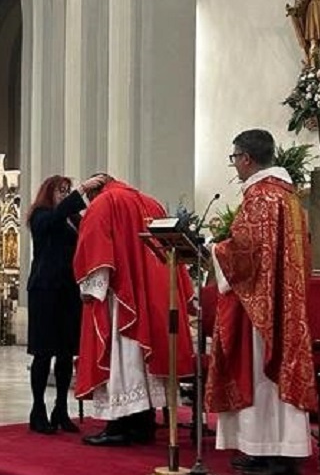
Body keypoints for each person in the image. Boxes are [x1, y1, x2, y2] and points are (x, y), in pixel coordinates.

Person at [205, 129, 316, 475]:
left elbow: (245, 252)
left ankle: (277, 454)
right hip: (281, 298)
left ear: (247, 158)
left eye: (234, 158)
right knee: (270, 376)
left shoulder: (261, 197)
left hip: (261, 305)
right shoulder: (287, 196)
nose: (235, 165)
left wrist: (213, 247)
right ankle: (263, 448)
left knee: (262, 375)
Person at [73, 174, 194, 447]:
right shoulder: (151, 203)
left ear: (94, 191)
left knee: (125, 359)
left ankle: (122, 424)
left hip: (123, 297)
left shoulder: (105, 202)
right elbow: (171, 251)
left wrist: (92, 290)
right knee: (143, 360)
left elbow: (95, 246)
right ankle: (144, 421)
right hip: (156, 295)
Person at [26, 174, 107, 434]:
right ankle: (37, 409)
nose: (64, 194)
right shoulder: (40, 215)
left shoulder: (73, 219)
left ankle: (61, 408)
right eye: (60, 191)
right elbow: (53, 218)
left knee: (65, 352)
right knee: (43, 352)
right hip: (44, 290)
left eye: (67, 190)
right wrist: (81, 190)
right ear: (48, 193)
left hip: (68, 290)